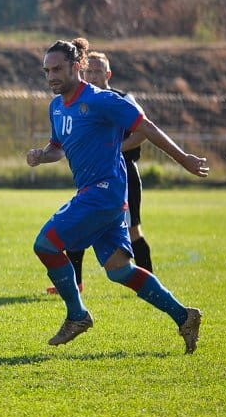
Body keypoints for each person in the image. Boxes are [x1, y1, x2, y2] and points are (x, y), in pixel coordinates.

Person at [26, 38, 209, 353]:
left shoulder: (102, 100)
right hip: (99, 196)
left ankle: (77, 315)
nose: (51, 76)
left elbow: (147, 127)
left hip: (104, 193)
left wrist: (184, 160)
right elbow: (58, 147)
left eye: (57, 69)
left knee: (45, 244)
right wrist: (41, 155)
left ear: (76, 66)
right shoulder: (56, 107)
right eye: (47, 71)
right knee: (120, 271)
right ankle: (184, 316)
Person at [49, 46, 154, 292]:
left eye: (99, 71)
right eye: (90, 70)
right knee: (77, 227)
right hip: (93, 177)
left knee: (133, 230)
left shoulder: (120, 99)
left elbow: (144, 131)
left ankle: (148, 279)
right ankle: (75, 283)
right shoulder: (80, 101)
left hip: (123, 173)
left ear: (109, 74)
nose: (94, 75)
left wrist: (116, 149)